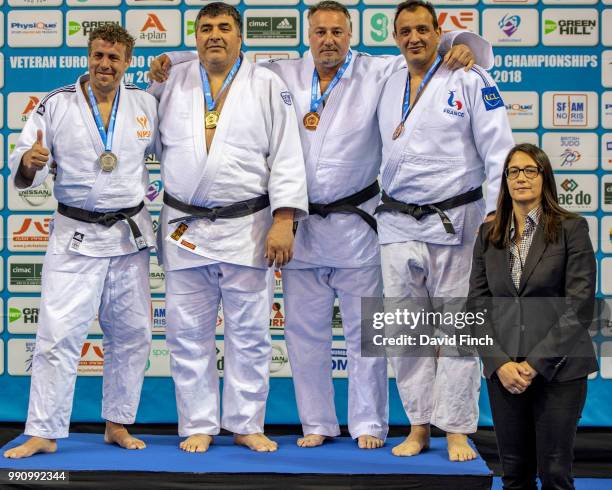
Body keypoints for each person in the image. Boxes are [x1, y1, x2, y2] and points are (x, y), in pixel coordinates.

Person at [149, 0, 492, 450]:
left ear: (350, 35)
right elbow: (221, 58)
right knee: (303, 334)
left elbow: (422, 51)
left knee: (364, 334)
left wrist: (461, 45)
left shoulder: (377, 71)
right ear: (307, 36)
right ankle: (318, 423)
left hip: (357, 222)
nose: (328, 39)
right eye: (319, 32)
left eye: (336, 31)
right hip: (299, 224)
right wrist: (170, 61)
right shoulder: (283, 72)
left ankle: (368, 424)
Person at [148, 3, 308, 453]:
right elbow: (142, 135)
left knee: (251, 333)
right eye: (205, 29)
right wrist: (163, 65)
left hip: (248, 227)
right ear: (194, 36)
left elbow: (287, 153)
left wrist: (284, 220)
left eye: (223, 28)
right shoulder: (171, 80)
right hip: (185, 226)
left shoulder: (267, 84)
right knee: (186, 332)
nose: (213, 35)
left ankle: (245, 422)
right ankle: (198, 422)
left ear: (241, 36)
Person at [4, 25, 158, 459]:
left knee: (133, 335)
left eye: (114, 58)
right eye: (98, 56)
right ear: (88, 57)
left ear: (128, 62)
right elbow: (23, 159)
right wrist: (30, 165)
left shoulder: (146, 104)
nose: (104, 65)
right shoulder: (55, 105)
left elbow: (179, 151)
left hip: (129, 237)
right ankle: (44, 430)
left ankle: (118, 423)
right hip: (75, 236)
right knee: (57, 336)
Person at [375, 0, 514, 460]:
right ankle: (417, 426)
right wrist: (178, 61)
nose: (413, 37)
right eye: (404, 31)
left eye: (422, 29)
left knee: (457, 330)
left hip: (457, 218)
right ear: (394, 37)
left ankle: (455, 427)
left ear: (439, 32)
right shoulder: (386, 77)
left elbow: (499, 149)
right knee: (406, 332)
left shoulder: (471, 79)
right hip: (396, 220)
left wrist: (497, 214)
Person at [468, 143, 598, 489]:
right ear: (505, 181)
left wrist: (535, 364)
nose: (521, 178)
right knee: (514, 474)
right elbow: (477, 307)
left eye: (529, 170)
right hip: (505, 373)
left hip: (560, 371)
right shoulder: (488, 234)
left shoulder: (571, 228)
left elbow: (580, 304)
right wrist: (499, 363)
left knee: (555, 473)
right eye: (513, 171)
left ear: (544, 177)